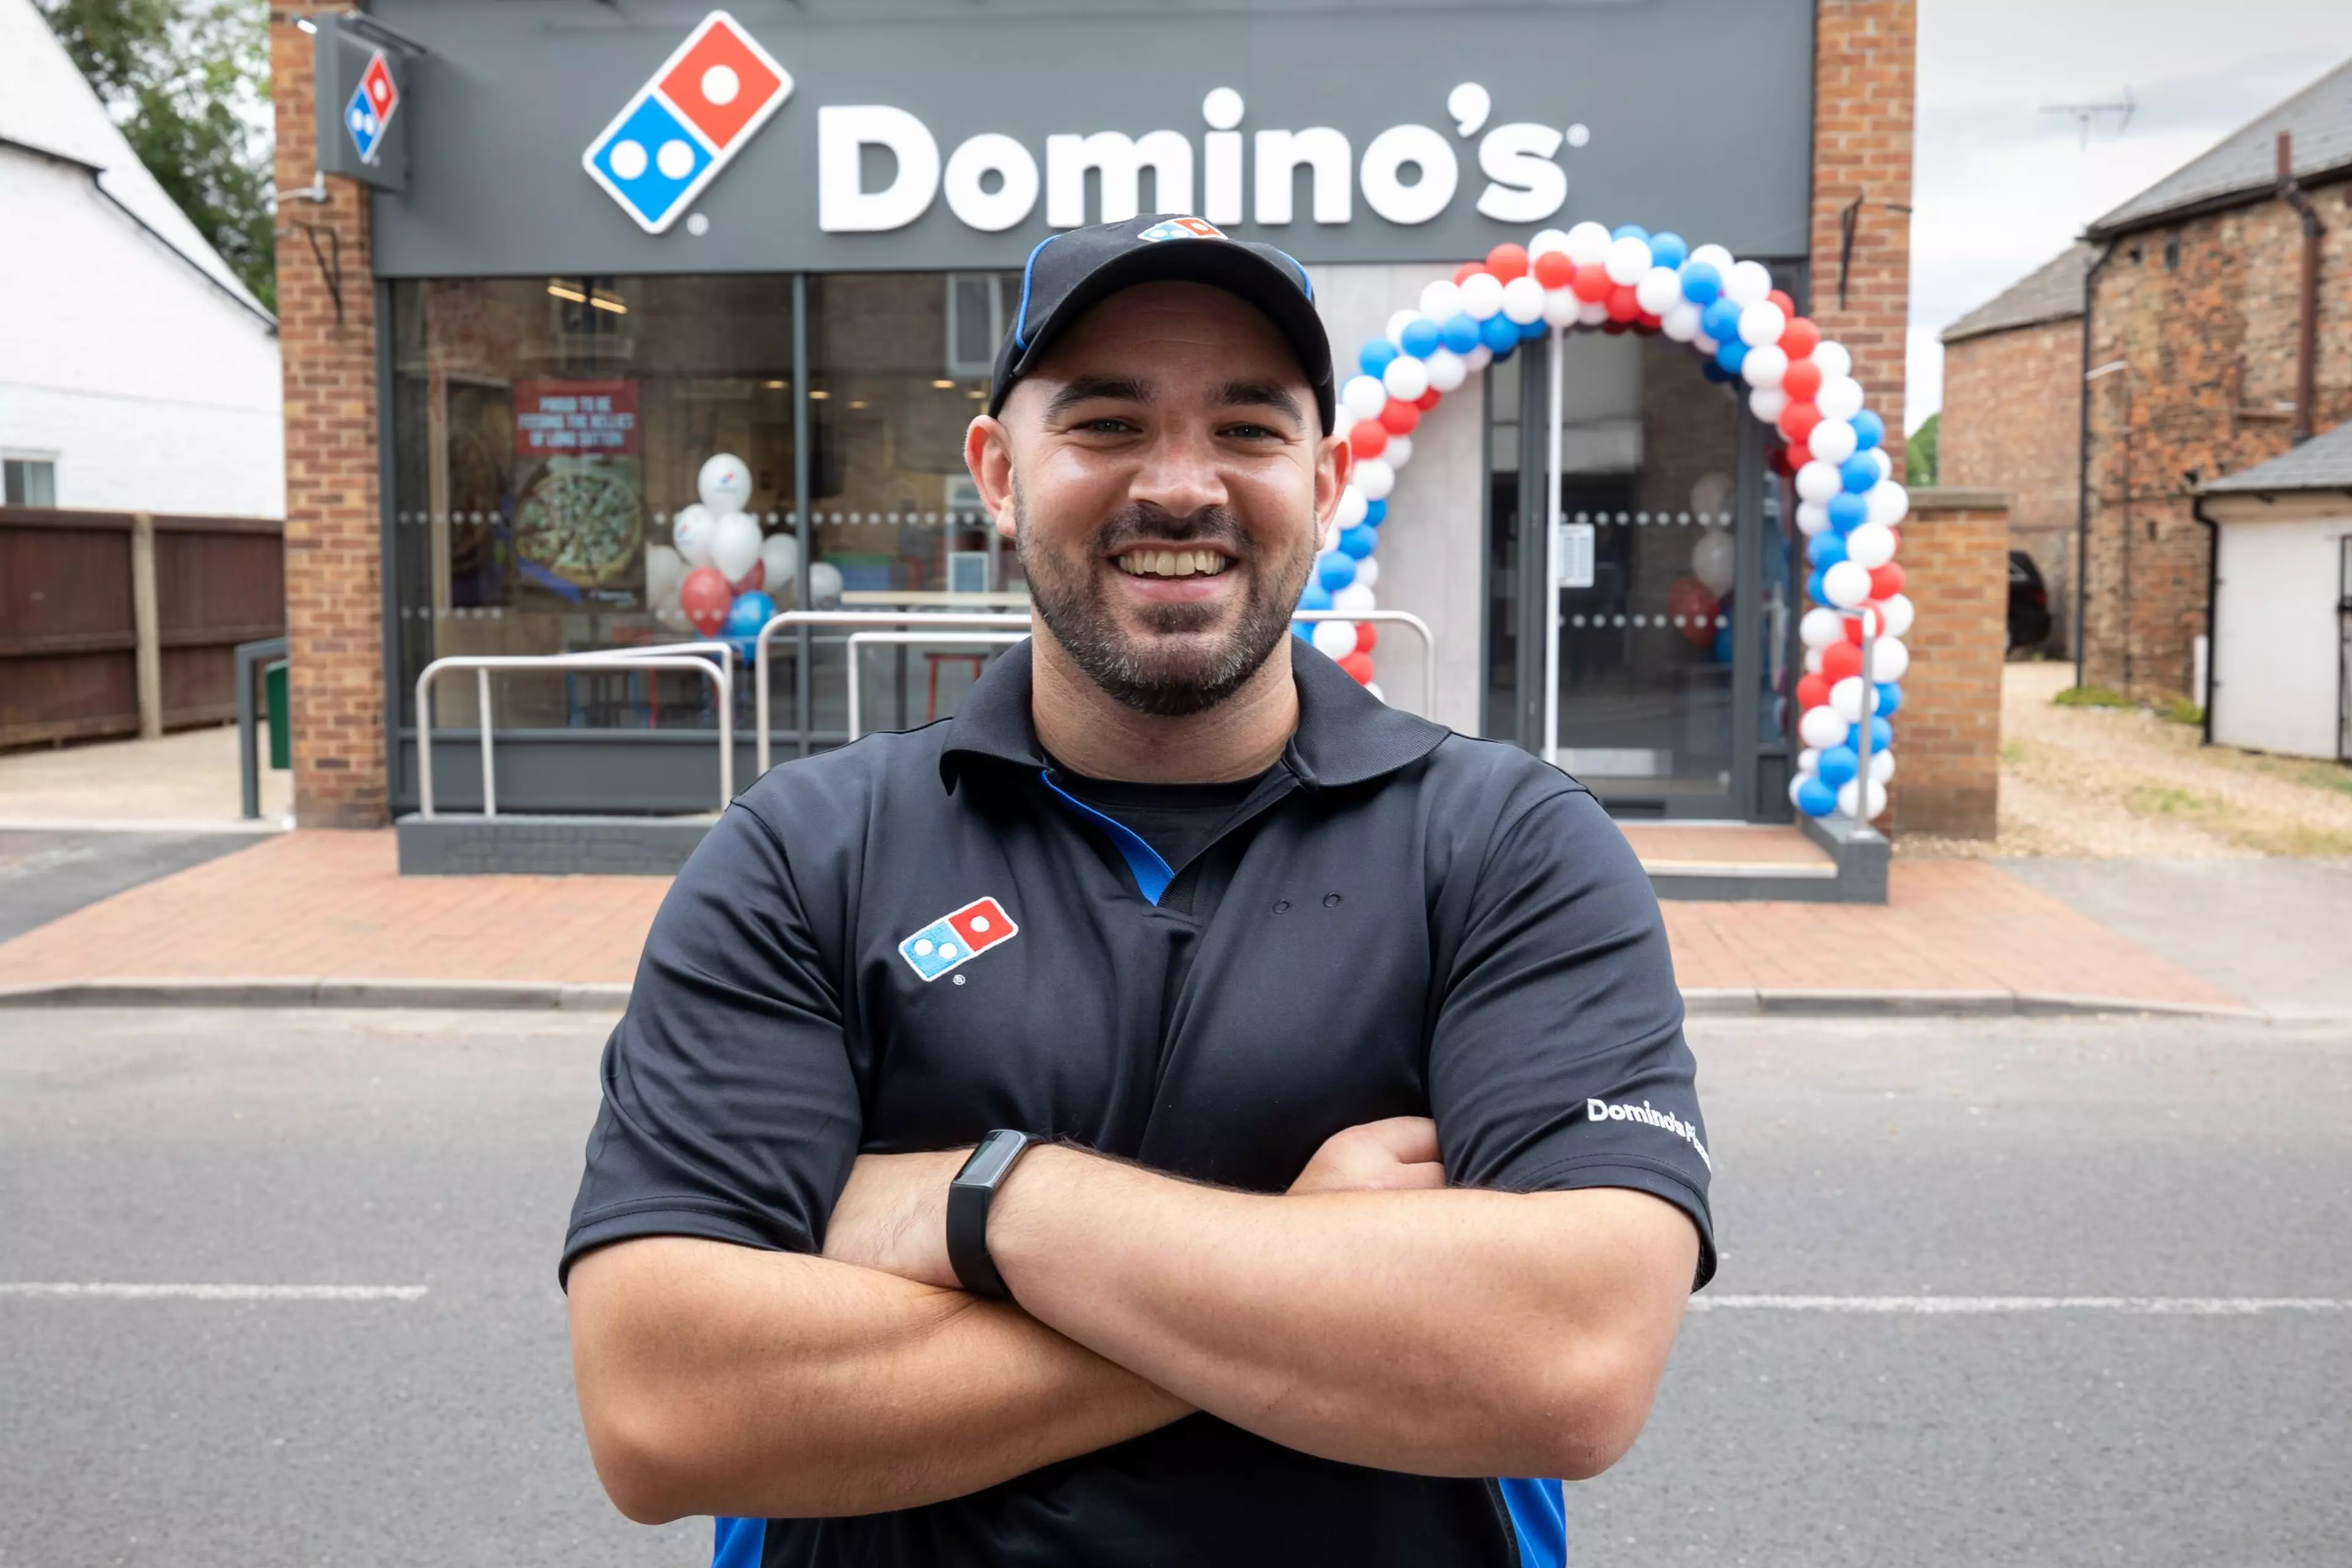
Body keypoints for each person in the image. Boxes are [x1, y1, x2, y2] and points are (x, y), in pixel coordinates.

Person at [562, 214, 1714, 1568]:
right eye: (1107, 423)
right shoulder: (804, 855)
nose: (1181, 485)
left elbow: (1566, 1360)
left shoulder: (1510, 848)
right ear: (998, 471)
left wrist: (990, 1205)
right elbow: (664, 1406)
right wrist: (1311, 1269)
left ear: (1328, 478)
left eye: (1249, 428)